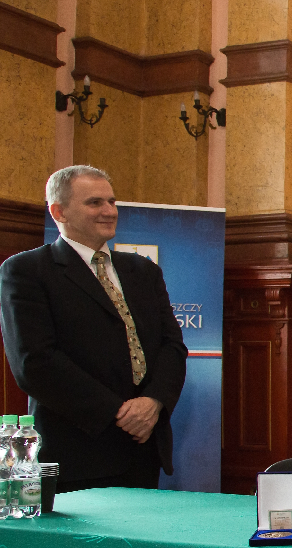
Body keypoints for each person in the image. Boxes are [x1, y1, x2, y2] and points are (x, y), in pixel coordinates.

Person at [0, 165, 187, 492]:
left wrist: (153, 401)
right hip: (77, 455)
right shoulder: (27, 271)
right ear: (59, 212)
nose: (109, 211)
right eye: (94, 202)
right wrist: (120, 413)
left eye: (112, 201)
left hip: (144, 450)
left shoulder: (143, 271)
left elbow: (172, 346)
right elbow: (35, 362)